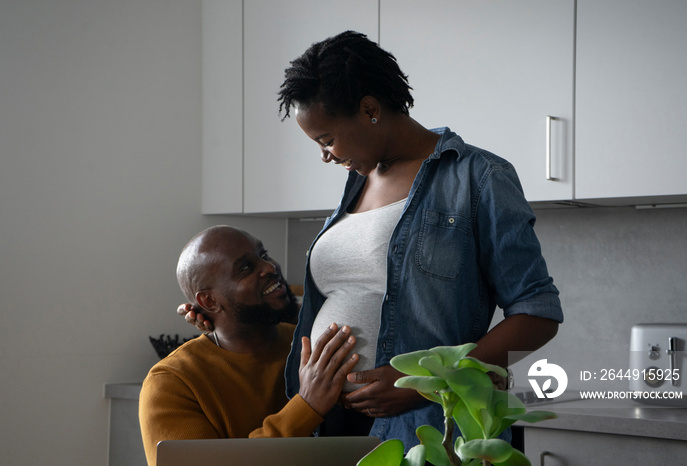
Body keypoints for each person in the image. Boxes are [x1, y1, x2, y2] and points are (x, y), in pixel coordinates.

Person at [183, 30, 563, 450]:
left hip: (422, 428)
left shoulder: (479, 177)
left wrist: (423, 383)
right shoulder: (356, 181)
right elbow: (353, 294)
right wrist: (225, 316)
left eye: (327, 139)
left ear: (369, 109)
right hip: (323, 424)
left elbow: (537, 312)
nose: (325, 155)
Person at [140, 226, 358, 466]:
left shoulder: (310, 343)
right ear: (209, 301)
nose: (270, 267)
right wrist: (306, 407)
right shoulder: (170, 383)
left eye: (263, 255)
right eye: (245, 268)